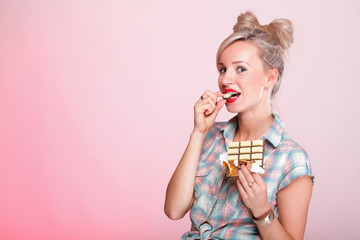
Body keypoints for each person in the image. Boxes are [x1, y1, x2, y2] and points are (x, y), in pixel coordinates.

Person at [164, 11, 314, 240]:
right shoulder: (212, 137)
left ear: (270, 78)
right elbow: (174, 210)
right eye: (222, 69)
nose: (225, 80)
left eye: (240, 69)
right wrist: (198, 132)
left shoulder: (291, 159)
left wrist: (262, 210)